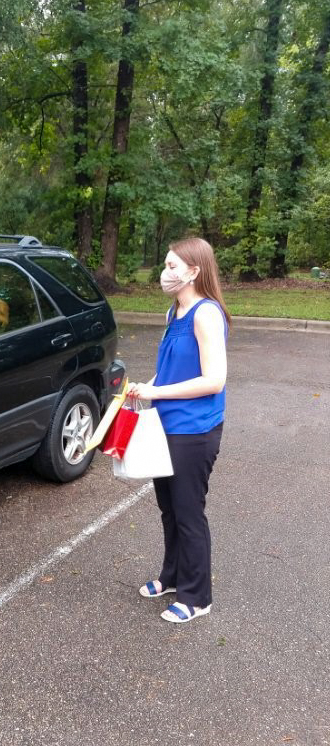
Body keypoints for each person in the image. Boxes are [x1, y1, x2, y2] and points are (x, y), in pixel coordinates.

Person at [127, 236, 230, 624]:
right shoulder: (174, 313)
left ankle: (197, 596)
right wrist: (146, 388)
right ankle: (171, 577)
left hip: (195, 431)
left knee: (188, 512)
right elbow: (171, 369)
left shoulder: (207, 314)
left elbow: (213, 381)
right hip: (165, 426)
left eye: (172, 267)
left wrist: (157, 391)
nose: (165, 273)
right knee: (168, 508)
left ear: (194, 271)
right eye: (165, 265)